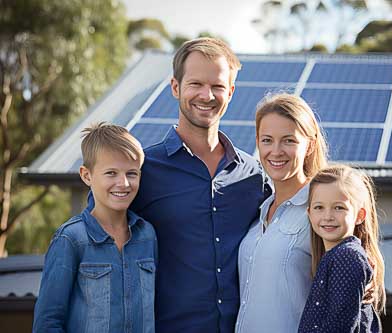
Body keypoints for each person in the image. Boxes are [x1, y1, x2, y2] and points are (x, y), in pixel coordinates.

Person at [130, 38, 270, 332]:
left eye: (218, 86)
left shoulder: (255, 175)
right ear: (175, 87)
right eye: (196, 84)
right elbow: (95, 238)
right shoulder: (142, 169)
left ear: (230, 92)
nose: (207, 95)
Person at [33, 123, 157, 333]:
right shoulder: (71, 240)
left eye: (132, 173)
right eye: (111, 173)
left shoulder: (147, 236)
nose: (123, 183)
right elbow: (47, 324)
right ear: (86, 175)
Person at [236, 93, 329, 332]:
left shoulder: (321, 211)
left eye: (288, 140)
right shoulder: (258, 211)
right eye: (267, 140)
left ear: (309, 144)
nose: (276, 151)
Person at [298, 165, 386, 332]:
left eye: (339, 207)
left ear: (359, 216)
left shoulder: (347, 256)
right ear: (309, 213)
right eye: (319, 207)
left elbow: (339, 326)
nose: (328, 216)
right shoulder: (335, 256)